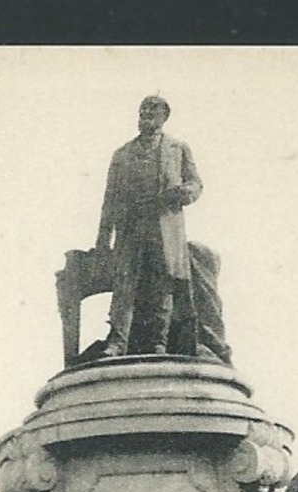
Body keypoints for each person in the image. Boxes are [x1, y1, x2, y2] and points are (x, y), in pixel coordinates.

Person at [96, 95, 203, 358]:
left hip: (164, 227)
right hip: (131, 227)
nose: (145, 115)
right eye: (143, 110)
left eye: (152, 111)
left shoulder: (178, 148)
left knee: (162, 285)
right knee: (125, 285)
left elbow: (196, 184)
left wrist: (181, 193)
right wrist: (103, 238)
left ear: (164, 117)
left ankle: (159, 341)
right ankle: (117, 341)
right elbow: (110, 198)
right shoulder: (122, 154)